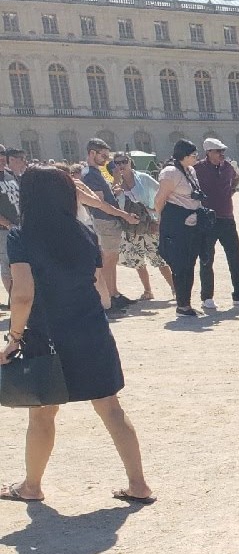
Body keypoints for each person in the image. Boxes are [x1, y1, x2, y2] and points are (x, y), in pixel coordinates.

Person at [0, 165, 154, 505]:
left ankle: (31, 486)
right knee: (111, 408)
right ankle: (138, 484)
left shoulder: (21, 236)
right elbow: (100, 289)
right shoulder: (84, 232)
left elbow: (22, 294)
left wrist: (13, 338)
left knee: (42, 413)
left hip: (47, 334)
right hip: (90, 328)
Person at [77, 138, 141, 310]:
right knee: (107, 262)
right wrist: (124, 215)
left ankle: (114, 294)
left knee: (112, 261)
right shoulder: (90, 174)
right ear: (92, 153)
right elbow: (100, 204)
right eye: (103, 155)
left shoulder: (94, 172)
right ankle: (108, 299)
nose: (107, 160)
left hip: (108, 220)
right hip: (104, 220)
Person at [193, 138, 239, 311]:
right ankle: (207, 297)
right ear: (208, 152)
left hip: (227, 217)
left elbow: (235, 180)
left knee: (235, 258)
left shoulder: (228, 167)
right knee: (207, 259)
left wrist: (229, 192)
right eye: (218, 151)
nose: (221, 154)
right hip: (207, 219)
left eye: (222, 151)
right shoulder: (197, 169)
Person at [110, 153, 175, 304]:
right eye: (117, 163)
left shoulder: (143, 178)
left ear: (130, 162)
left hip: (149, 223)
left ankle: (174, 289)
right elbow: (115, 205)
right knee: (138, 260)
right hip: (131, 226)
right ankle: (147, 290)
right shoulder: (115, 183)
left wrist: (156, 212)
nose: (121, 165)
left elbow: (161, 191)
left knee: (159, 258)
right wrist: (115, 184)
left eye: (124, 161)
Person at [154, 140, 208, 318]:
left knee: (190, 263)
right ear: (183, 156)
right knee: (180, 264)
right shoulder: (170, 172)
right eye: (193, 155)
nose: (196, 158)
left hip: (192, 222)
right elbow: (159, 200)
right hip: (176, 223)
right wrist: (162, 220)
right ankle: (182, 305)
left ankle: (186, 303)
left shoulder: (190, 170)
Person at [0, 146, 22, 306]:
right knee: (8, 266)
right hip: (4, 231)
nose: (1, 157)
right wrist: (7, 224)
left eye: (3, 154)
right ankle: (15, 302)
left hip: (19, 227)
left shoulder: (9, 175)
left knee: (20, 265)